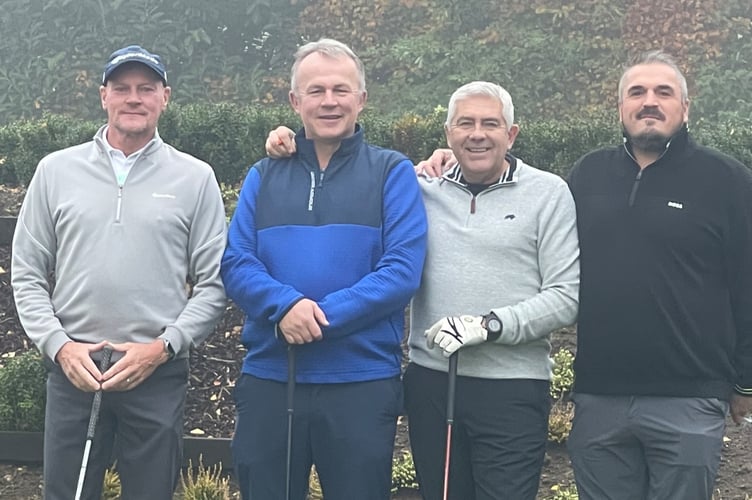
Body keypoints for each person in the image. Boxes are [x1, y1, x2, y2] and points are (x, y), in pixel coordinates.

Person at [266, 81, 580, 500]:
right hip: (432, 382)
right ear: (448, 133)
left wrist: (491, 324)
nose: (477, 133)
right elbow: (349, 172)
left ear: (512, 133)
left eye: (491, 123)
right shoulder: (420, 188)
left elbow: (565, 296)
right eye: (465, 123)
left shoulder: (549, 193)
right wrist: (289, 141)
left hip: (512, 386)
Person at [11, 45, 227, 500]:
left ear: (164, 97)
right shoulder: (55, 171)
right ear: (103, 96)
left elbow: (214, 283)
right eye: (122, 88)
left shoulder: (196, 178)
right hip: (74, 370)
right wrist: (60, 347)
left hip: (156, 372)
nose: (134, 98)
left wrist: (163, 348)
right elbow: (27, 273)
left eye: (146, 89)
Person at [221, 38, 427, 500]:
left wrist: (316, 317)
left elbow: (400, 271)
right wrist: (285, 306)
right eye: (315, 91)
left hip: (361, 383)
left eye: (341, 89)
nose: (329, 101)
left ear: (361, 100)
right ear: (296, 102)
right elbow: (235, 261)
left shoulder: (392, 173)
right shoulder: (264, 174)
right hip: (271, 380)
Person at [565, 50, 752, 500]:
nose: (650, 101)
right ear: (621, 107)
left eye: (663, 92)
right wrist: (446, 165)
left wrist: (745, 381)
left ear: (685, 107)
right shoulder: (586, 176)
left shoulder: (727, 180)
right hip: (599, 397)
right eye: (637, 92)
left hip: (688, 399)